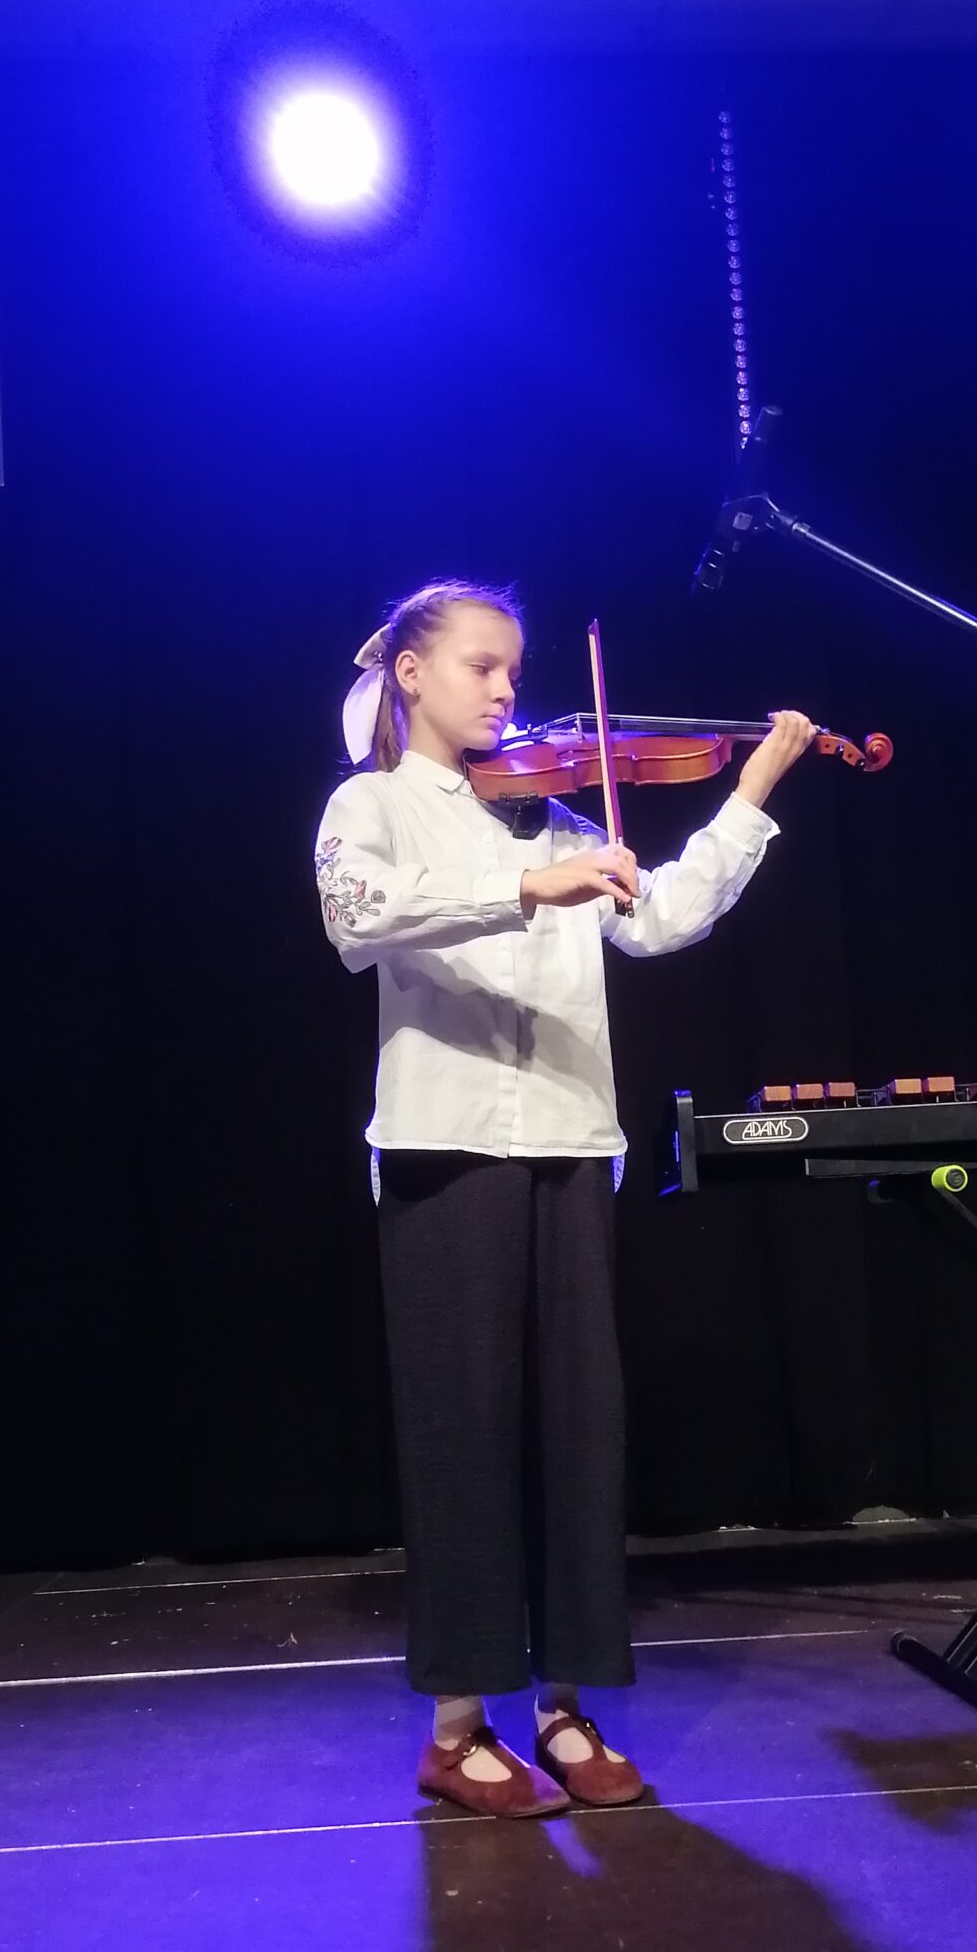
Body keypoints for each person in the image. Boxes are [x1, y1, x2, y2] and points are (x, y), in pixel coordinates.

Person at [315, 579, 813, 1816]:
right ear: (411, 672)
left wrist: (751, 794)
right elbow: (356, 918)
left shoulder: (555, 814)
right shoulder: (373, 804)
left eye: (514, 668)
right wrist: (524, 890)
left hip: (572, 1143)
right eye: (481, 665)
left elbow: (663, 918)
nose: (506, 690)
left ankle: (566, 1706)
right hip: (444, 1148)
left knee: (580, 1430)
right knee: (462, 1431)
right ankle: (456, 1729)